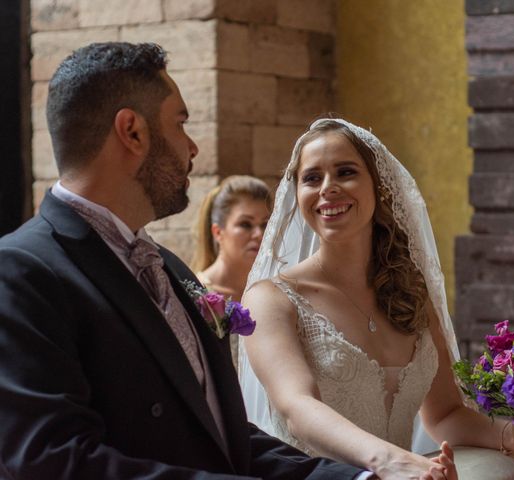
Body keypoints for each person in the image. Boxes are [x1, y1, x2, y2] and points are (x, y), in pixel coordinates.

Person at [0, 43, 366, 479]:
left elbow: (222, 437)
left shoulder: (169, 267)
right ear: (132, 131)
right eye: (181, 124)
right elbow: (56, 463)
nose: (192, 148)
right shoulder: (21, 271)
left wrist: (360, 477)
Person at [238, 118, 514, 479]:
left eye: (345, 172)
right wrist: (391, 462)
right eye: (312, 178)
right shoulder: (271, 300)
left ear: (380, 187)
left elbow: (445, 415)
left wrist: (512, 434)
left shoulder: (410, 290)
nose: (328, 188)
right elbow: (297, 407)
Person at [191, 175, 272, 366]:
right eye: (245, 224)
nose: (258, 234)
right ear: (218, 232)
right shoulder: (195, 292)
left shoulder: (274, 290)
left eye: (265, 224)